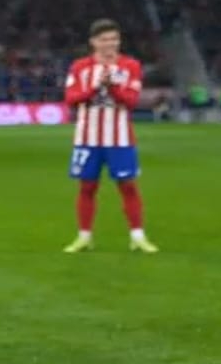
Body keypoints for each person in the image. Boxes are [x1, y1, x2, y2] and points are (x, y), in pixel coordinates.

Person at [61, 19, 159, 254]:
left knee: (128, 186)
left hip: (120, 138)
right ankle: (84, 236)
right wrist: (95, 88)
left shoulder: (130, 66)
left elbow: (132, 101)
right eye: (104, 40)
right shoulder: (79, 67)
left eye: (114, 39)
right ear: (93, 42)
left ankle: (137, 237)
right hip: (87, 137)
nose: (110, 44)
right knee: (87, 187)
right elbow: (71, 99)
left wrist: (113, 88)